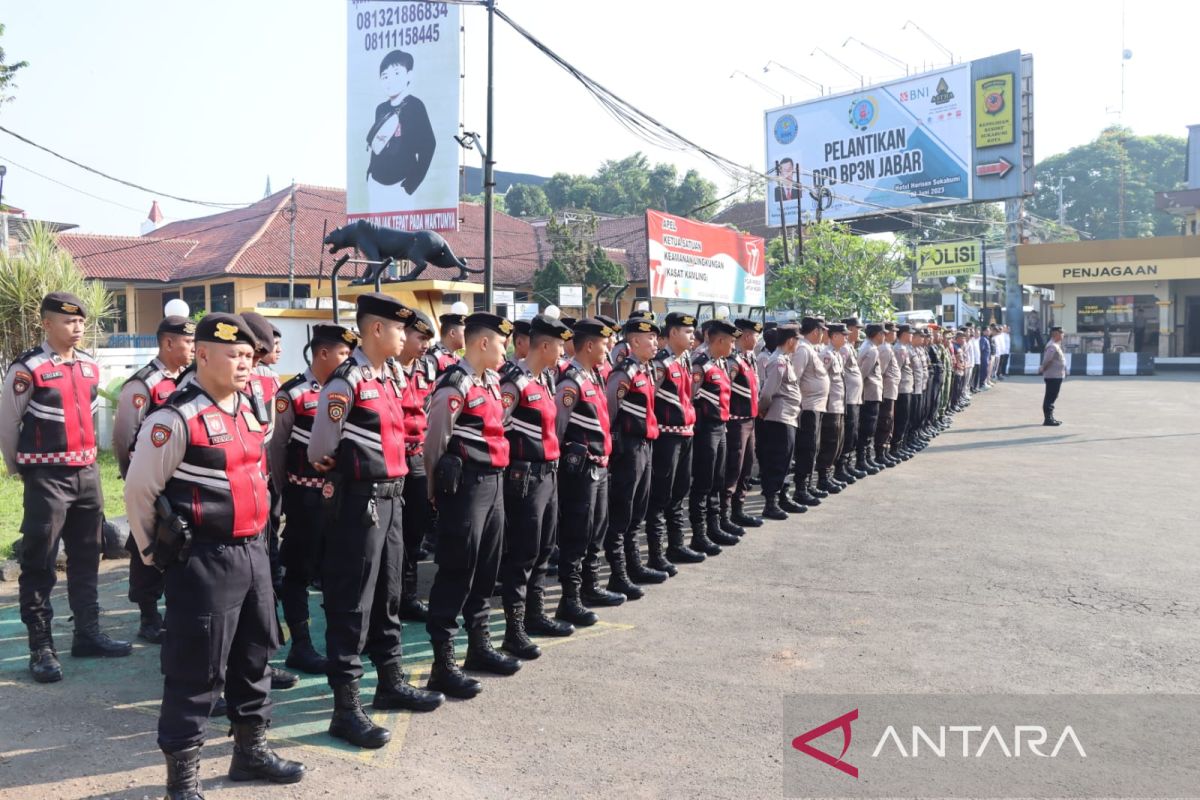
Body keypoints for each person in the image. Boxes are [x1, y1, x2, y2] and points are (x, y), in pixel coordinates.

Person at [124, 312, 304, 799]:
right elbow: (140, 493)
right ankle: (182, 782)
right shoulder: (174, 417)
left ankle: (250, 752)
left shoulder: (249, 407)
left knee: (255, 658)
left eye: (249, 355)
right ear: (202, 354)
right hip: (204, 559)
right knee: (195, 670)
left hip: (253, 553)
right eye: (233, 354)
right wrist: (156, 557)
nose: (244, 363)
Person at [308, 293, 444, 751]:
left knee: (388, 595)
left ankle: (390, 681)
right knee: (352, 604)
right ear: (375, 331)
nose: (406, 336)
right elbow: (318, 451)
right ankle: (345, 708)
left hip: (392, 499)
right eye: (399, 328)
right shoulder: (345, 382)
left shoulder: (391, 376)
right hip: (359, 503)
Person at [0, 292, 132, 683]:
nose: (76, 328)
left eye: (80, 322)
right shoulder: (28, 369)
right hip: (46, 476)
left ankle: (87, 634)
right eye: (67, 321)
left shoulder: (91, 366)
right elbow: (8, 423)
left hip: (87, 473)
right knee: (39, 561)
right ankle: (41, 647)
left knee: (88, 555)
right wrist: (17, 468)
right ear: (46, 324)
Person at [423, 313, 519, 697]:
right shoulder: (454, 385)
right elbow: (434, 444)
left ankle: (479, 647)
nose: (505, 349)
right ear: (482, 343)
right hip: (464, 489)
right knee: (456, 571)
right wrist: (434, 492)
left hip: (493, 484)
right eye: (501, 342)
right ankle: (442, 665)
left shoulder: (492, 381)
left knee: (486, 568)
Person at [268, 323, 356, 675]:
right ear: (323, 354)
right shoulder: (293, 394)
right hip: (304, 496)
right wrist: (285, 490)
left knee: (337, 568)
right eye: (343, 353)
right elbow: (277, 448)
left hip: (341, 497)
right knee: (299, 571)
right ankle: (301, 645)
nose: (348, 360)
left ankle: (340, 640)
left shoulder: (349, 389)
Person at [497, 314, 576, 659]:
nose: (563, 350)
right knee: (522, 553)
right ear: (545, 345)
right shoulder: (512, 383)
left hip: (548, 474)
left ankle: (535, 614)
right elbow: (494, 427)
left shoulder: (544, 378)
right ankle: (513, 630)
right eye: (559, 344)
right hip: (525, 478)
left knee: (544, 548)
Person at [113, 315, 195, 644]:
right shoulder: (143, 384)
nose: (192, 348)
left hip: (182, 480)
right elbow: (123, 437)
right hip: (153, 482)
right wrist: (132, 476)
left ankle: (177, 611)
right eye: (188, 342)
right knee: (145, 545)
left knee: (180, 545)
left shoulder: (193, 379)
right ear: (168, 343)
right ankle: (148, 615)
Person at [554, 318, 620, 627]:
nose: (608, 349)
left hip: (600, 467)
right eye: (605, 344)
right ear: (590, 345)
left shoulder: (593, 376)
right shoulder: (571, 382)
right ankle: (570, 600)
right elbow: (557, 428)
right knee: (576, 535)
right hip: (580, 471)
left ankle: (591, 587)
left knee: (596, 531)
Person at [601, 317, 665, 600]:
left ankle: (634, 565)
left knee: (638, 509)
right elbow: (609, 414)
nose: (655, 342)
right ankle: (618, 574)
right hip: (628, 448)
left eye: (655, 337)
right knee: (622, 512)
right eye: (650, 337)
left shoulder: (645, 369)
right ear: (634, 341)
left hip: (645, 445)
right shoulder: (623, 373)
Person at [644, 312, 705, 572]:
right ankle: (656, 554)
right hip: (667, 436)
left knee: (679, 492)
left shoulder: (685, 360)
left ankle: (676, 545)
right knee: (660, 496)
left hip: (686, 433)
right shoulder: (661, 364)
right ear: (672, 334)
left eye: (693, 332)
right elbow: (649, 398)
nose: (693, 337)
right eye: (687, 332)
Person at [396, 311, 439, 623]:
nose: (425, 345)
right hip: (392, 458)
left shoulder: (426, 369)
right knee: (391, 535)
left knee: (414, 531)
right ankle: (391, 596)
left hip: (419, 457)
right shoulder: (385, 369)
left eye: (428, 340)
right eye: (420, 338)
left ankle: (407, 595)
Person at [689, 318, 739, 554]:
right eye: (730, 341)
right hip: (706, 429)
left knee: (718, 480)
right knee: (703, 482)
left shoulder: (721, 363)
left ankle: (714, 526)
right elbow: (690, 397)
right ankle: (699, 534)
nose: (733, 346)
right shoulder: (701, 365)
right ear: (719, 340)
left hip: (721, 427)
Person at [366, 49, 435, 196]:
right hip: (376, 183)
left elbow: (429, 145)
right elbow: (378, 142)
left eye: (396, 73)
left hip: (400, 185)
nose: (390, 80)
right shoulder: (381, 109)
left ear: (409, 75)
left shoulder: (415, 106)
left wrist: (411, 183)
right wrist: (370, 172)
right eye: (384, 76)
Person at [756, 325, 805, 519]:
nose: (798, 344)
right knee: (777, 461)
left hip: (788, 417)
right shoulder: (778, 362)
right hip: (779, 418)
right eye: (797, 340)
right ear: (791, 340)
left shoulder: (785, 360)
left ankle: (782, 497)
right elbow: (768, 393)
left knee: (785, 461)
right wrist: (762, 409)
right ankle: (771, 503)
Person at [723, 319, 763, 533]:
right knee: (733, 469)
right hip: (736, 422)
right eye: (756, 335)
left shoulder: (749, 358)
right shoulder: (733, 361)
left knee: (746, 466)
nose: (758, 340)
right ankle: (725, 515)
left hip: (749, 419)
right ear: (747, 336)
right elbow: (725, 391)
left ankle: (738, 509)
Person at [790, 317, 829, 506]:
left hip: (816, 407)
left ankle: (809, 484)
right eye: (821, 330)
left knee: (814, 447)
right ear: (815, 331)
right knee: (807, 449)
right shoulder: (803, 350)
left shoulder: (810, 348)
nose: (823, 334)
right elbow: (794, 379)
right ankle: (801, 489)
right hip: (807, 408)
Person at [815, 323, 847, 494]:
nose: (846, 338)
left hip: (839, 404)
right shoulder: (825, 355)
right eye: (843, 335)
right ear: (834, 336)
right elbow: (821, 380)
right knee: (829, 442)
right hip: (830, 406)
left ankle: (829, 474)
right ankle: (822, 478)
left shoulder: (837, 354)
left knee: (838, 442)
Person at [837, 318, 866, 483]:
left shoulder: (850, 348)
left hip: (854, 398)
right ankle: (841, 467)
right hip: (847, 399)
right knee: (847, 434)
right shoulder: (844, 350)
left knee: (853, 433)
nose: (858, 332)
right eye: (855, 329)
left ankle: (847, 465)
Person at [856, 323, 884, 475]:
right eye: (882, 333)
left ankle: (866, 457)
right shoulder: (871, 350)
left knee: (869, 428)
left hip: (870, 392)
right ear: (877, 334)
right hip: (870, 393)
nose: (884, 337)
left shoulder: (868, 347)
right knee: (867, 428)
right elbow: (862, 373)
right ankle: (862, 460)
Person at [873, 323, 901, 468]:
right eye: (893, 332)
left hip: (891, 390)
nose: (895, 334)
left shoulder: (888, 347)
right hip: (886, 391)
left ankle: (885, 451)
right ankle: (880, 453)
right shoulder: (884, 348)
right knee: (885, 421)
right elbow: (881, 372)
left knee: (889, 421)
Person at [891, 325, 915, 461]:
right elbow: (897, 371)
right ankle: (895, 448)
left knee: (905, 419)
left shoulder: (904, 348)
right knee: (901, 419)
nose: (911, 335)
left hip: (907, 388)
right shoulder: (899, 349)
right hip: (901, 390)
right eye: (909, 333)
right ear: (904, 334)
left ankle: (901, 445)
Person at [1039, 325, 1066, 426]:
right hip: (1052, 376)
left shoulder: (1055, 345)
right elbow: (1047, 360)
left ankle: (1050, 417)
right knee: (1050, 397)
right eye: (1062, 333)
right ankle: (1048, 419)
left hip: (1056, 375)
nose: (1063, 335)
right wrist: (1043, 369)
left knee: (1053, 396)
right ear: (1057, 334)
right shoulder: (1052, 346)